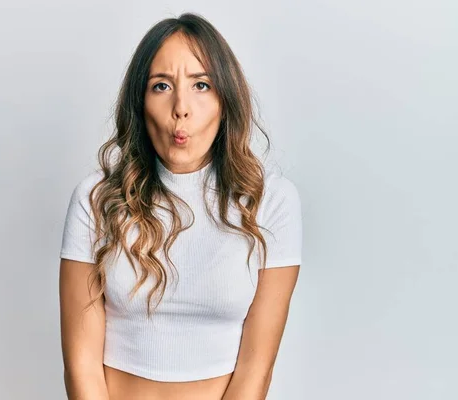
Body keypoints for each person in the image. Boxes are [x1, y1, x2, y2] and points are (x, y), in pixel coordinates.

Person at [59, 12, 302, 400]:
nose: (181, 108)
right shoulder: (96, 199)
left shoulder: (272, 201)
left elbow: (258, 368)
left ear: (226, 100)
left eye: (201, 85)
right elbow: (80, 363)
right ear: (139, 102)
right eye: (161, 86)